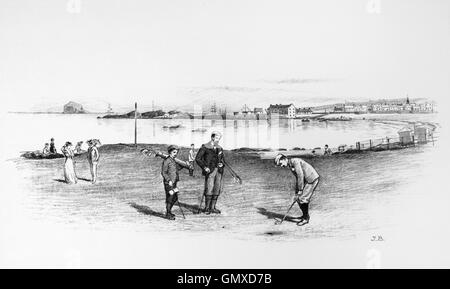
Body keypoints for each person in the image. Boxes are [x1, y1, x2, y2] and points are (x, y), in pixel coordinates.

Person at [274, 153, 320, 226]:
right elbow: (298, 178)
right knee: (298, 198)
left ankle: (305, 219)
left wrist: (300, 190)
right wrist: (297, 190)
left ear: (284, 159)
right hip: (306, 180)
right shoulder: (290, 164)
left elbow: (300, 176)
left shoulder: (295, 162)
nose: (282, 166)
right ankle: (305, 215)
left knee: (303, 198)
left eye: (281, 163)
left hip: (311, 179)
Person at [195, 131, 225, 214]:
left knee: (217, 188)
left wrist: (221, 164)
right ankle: (207, 208)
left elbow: (222, 160)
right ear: (212, 137)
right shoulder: (205, 147)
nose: (218, 140)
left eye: (219, 138)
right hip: (210, 172)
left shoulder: (220, 148)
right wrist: (204, 167)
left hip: (218, 171)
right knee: (209, 188)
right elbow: (198, 159)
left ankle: (213, 207)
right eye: (216, 138)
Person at [161, 145, 190, 220]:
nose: (175, 154)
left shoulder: (173, 160)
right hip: (169, 183)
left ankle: (169, 211)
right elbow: (163, 172)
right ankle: (168, 213)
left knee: (175, 197)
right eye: (174, 152)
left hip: (174, 182)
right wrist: (168, 180)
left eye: (176, 152)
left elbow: (176, 169)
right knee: (170, 197)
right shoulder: (166, 161)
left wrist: (184, 166)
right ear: (170, 152)